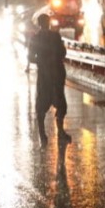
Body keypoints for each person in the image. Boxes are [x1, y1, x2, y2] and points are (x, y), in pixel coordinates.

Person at [28, 12, 71, 144]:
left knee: (42, 102)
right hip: (57, 73)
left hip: (44, 75)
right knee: (60, 103)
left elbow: (30, 58)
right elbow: (63, 53)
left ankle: (42, 133)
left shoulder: (35, 38)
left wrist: (41, 61)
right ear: (49, 22)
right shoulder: (55, 36)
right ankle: (61, 131)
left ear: (39, 24)